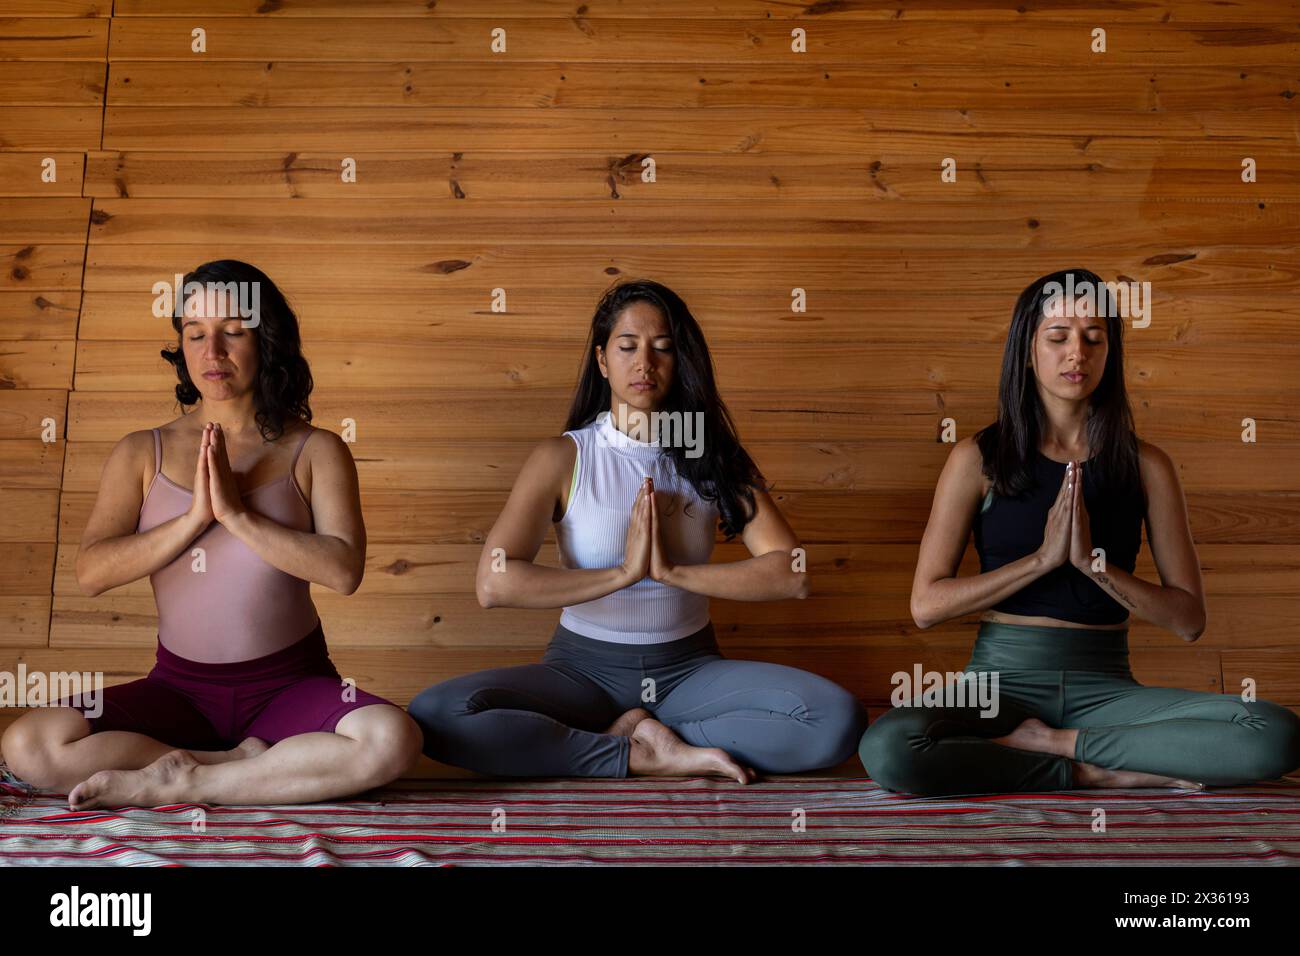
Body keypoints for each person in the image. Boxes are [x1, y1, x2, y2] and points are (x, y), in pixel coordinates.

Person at [858, 269, 1300, 796]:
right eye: (1058, 336)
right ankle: (1095, 771)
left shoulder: (1146, 466)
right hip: (998, 685)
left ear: (1110, 354)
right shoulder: (978, 459)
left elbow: (1188, 620)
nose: (1078, 354)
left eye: (1094, 338)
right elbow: (926, 607)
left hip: (1106, 687)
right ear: (1027, 349)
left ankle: (1056, 746)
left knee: (1274, 734)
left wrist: (1095, 566)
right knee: (889, 748)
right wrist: (1042, 560)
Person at [1, 260, 422, 810]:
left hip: (291, 686)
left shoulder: (317, 450)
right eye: (195, 334)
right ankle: (241, 767)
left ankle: (189, 781)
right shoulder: (140, 450)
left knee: (393, 739)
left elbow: (343, 571)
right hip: (179, 692)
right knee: (28, 745)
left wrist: (238, 516)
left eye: (233, 332)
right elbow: (92, 573)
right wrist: (194, 518)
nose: (212, 352)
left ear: (266, 339)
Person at [409, 280, 866, 781]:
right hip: (582, 674)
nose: (644, 363)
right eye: (627, 347)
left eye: (663, 349)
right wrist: (624, 573)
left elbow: (792, 573)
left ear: (681, 361)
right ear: (603, 361)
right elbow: (494, 583)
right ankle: (639, 753)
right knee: (437, 714)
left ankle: (647, 733)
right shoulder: (565, 457)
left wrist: (671, 573)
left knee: (835, 720)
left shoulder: (712, 458)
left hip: (688, 672)